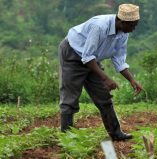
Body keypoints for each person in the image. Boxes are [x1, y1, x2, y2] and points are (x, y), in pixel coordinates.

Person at [58, 4, 143, 141]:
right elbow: (87, 56)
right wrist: (105, 78)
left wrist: (132, 80)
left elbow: (119, 59)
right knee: (70, 97)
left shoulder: (123, 33)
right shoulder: (100, 26)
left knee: (104, 96)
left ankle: (116, 133)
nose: (133, 29)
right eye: (132, 25)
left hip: (92, 59)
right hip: (73, 54)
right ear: (122, 22)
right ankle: (66, 137)